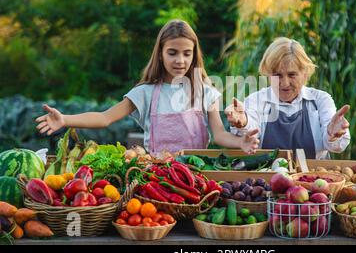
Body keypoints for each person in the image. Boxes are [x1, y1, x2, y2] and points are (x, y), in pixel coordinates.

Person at [36, 19, 259, 154]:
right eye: (172, 53)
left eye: (186, 53)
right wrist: (65, 119)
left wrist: (241, 141)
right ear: (160, 54)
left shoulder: (205, 92)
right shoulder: (146, 93)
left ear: (194, 55)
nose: (180, 60)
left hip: (197, 177)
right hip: (156, 179)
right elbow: (105, 118)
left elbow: (219, 135)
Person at [225, 37, 350, 159]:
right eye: (277, 75)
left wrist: (332, 134)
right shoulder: (256, 100)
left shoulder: (320, 100)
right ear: (268, 75)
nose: (284, 83)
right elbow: (251, 132)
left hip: (315, 176)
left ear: (305, 73)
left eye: (292, 75)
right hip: (268, 177)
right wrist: (243, 122)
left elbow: (335, 146)